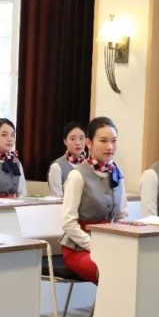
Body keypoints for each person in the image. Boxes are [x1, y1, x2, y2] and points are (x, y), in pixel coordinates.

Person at [59, 117, 127, 283]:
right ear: (89, 143)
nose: (110, 146)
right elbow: (68, 222)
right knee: (109, 268)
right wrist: (94, 246)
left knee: (132, 264)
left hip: (108, 244)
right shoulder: (77, 176)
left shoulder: (117, 173)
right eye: (103, 141)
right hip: (78, 249)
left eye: (113, 141)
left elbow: (121, 216)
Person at [47, 122, 87, 197]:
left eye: (81, 138)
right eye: (72, 139)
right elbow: (57, 197)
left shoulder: (91, 164)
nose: (78, 143)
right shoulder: (57, 166)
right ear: (65, 141)